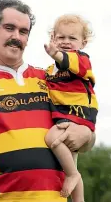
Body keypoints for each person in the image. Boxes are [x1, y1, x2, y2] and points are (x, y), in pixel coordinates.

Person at [0, 0, 94, 202]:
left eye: (23, 31)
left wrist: (86, 136)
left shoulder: (50, 78)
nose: (17, 36)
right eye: (9, 28)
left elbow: (83, 127)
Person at [44, 14, 98, 201]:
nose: (66, 42)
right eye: (61, 37)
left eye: (72, 38)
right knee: (72, 163)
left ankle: (73, 175)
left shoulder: (81, 60)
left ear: (82, 43)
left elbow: (70, 63)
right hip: (64, 115)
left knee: (52, 137)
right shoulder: (51, 71)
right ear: (53, 38)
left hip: (79, 113)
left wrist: (56, 53)